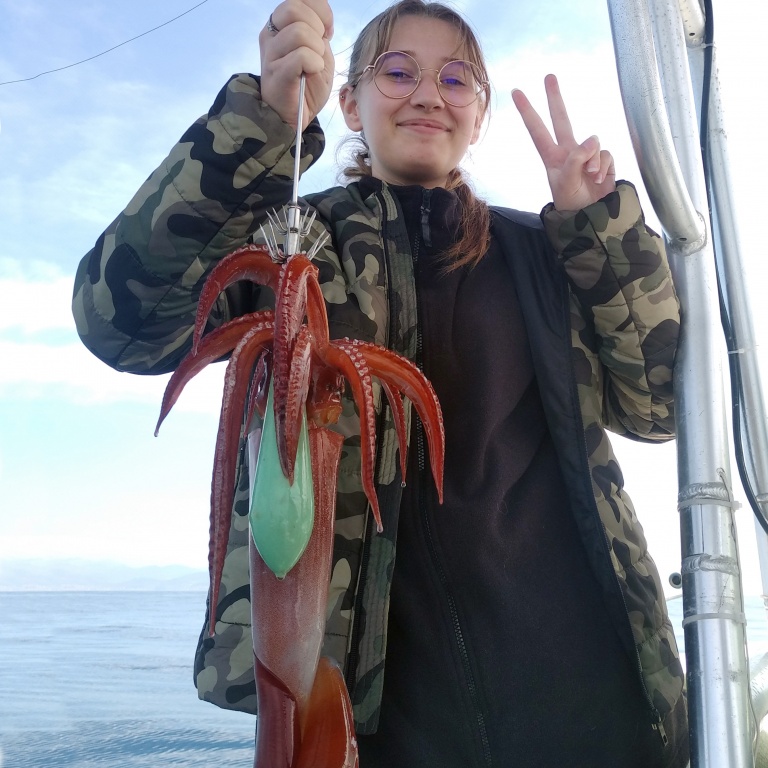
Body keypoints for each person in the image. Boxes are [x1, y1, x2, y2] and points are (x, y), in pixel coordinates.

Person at [72, 0, 689, 765]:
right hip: (379, 720)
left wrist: (604, 233)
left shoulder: (548, 251)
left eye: (457, 78)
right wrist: (259, 127)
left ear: (479, 114)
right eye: (398, 72)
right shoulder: (289, 246)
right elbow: (123, 323)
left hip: (590, 694)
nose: (429, 94)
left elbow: (660, 407)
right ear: (349, 103)